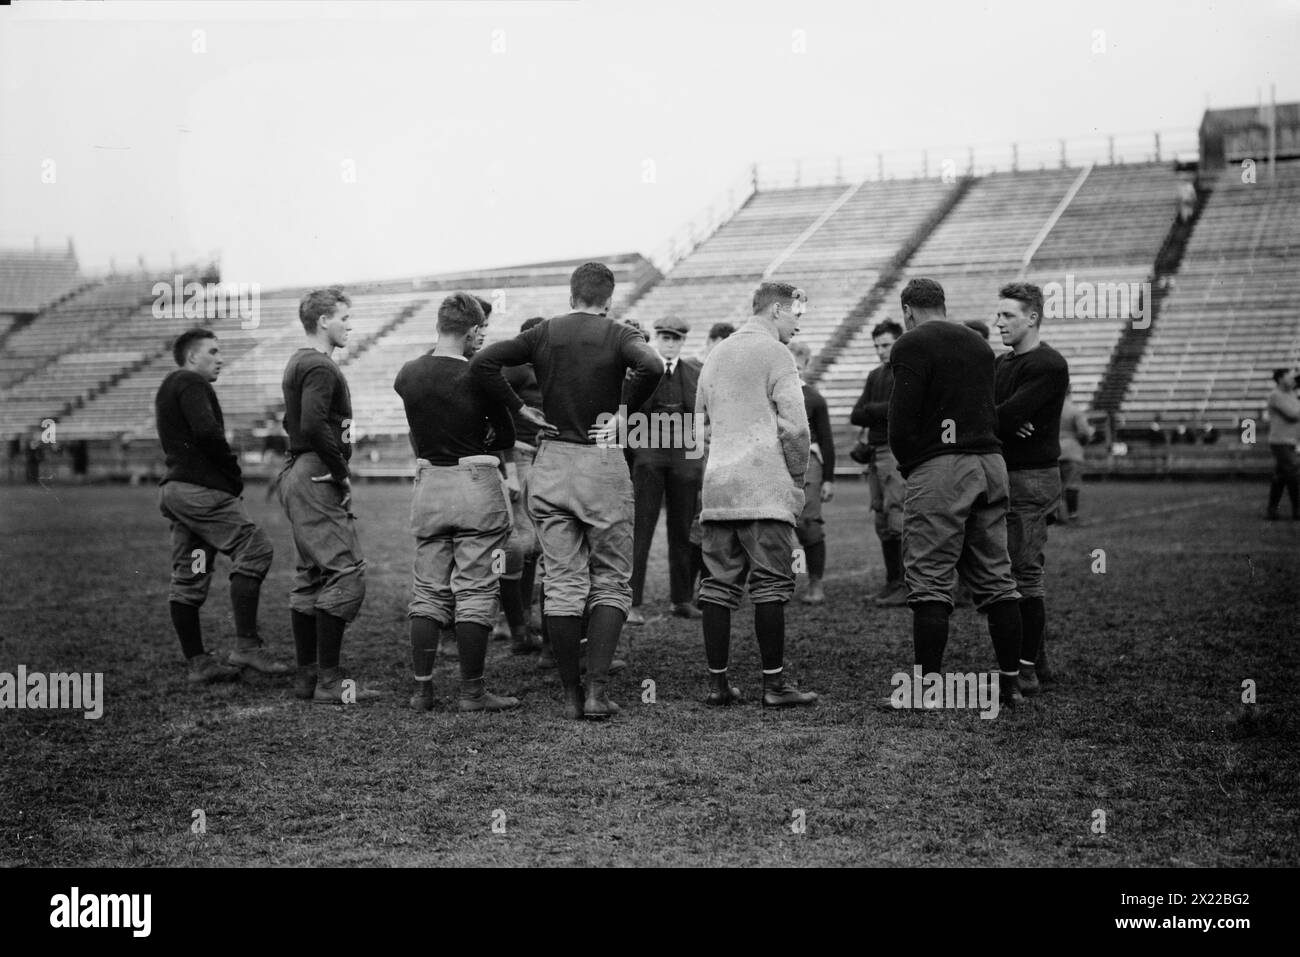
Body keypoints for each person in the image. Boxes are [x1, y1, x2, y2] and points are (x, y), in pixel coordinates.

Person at [470, 262, 663, 720]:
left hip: (552, 460)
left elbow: (483, 363)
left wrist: (520, 408)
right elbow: (652, 364)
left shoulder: (544, 333)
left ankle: (572, 693)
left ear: (571, 294)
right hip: (599, 461)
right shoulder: (618, 333)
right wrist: (623, 412)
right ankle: (597, 691)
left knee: (561, 582)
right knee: (612, 579)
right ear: (609, 298)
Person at [888, 278, 1024, 707]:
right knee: (998, 579)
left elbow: (901, 420)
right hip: (991, 464)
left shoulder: (911, 344)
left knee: (929, 579)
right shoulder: (980, 344)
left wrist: (913, 464)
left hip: (944, 469)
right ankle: (1012, 684)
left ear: (908, 310)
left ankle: (926, 690)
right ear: (943, 305)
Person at [395, 293, 533, 713]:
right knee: (475, 589)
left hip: (429, 483)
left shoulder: (408, 374)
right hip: (474, 484)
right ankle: (472, 692)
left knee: (427, 592)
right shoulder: (480, 374)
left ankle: (422, 689)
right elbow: (507, 438)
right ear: (472, 331)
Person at [695, 281, 819, 708]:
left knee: (717, 586)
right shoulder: (777, 353)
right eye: (797, 316)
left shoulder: (715, 354)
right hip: (764, 488)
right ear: (777, 310)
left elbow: (699, 429)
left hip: (718, 489)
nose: (799, 326)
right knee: (769, 585)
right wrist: (797, 478)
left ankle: (717, 684)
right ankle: (775, 685)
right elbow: (797, 428)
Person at [155, 328, 284, 683]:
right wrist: (230, 470)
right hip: (202, 491)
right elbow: (208, 432)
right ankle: (246, 647)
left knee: (189, 576)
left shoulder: (169, 386)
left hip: (177, 492)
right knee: (254, 549)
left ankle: (198, 662)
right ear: (193, 357)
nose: (221, 358)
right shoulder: (192, 382)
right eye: (213, 351)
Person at [277, 286, 377, 703]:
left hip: (299, 471)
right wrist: (339, 471)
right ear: (323, 321)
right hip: (316, 472)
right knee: (345, 573)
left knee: (311, 575)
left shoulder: (298, 362)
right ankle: (330, 681)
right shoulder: (319, 365)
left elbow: (291, 421)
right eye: (344, 317)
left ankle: (307, 677)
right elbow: (314, 423)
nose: (349, 324)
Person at [993, 282, 1070, 696]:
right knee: (1013, 570)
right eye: (998, 314)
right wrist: (1003, 417)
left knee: (1024, 572)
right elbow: (992, 413)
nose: (998, 322)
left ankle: (1025, 668)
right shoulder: (1003, 365)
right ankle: (1036, 659)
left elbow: (1004, 415)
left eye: (1007, 315)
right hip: (1009, 472)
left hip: (1033, 476)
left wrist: (1005, 416)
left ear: (1032, 317)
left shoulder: (1049, 365)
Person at [627, 315, 704, 624]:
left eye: (676, 339)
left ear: (683, 341)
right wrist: (639, 454)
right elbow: (626, 413)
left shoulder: (694, 373)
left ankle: (681, 598)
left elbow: (698, 419)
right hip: (649, 457)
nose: (670, 344)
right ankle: (631, 602)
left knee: (683, 530)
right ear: (657, 338)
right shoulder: (641, 372)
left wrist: (694, 462)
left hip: (683, 460)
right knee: (641, 530)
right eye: (665, 338)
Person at [498, 315, 547, 655]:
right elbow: (498, 408)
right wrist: (509, 467)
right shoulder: (515, 366)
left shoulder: (538, 365)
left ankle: (522, 618)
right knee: (519, 541)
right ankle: (512, 622)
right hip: (521, 454)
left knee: (532, 543)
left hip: (539, 454)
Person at [850, 319, 906, 607]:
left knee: (897, 516)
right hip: (876, 452)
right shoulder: (876, 375)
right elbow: (855, 414)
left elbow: (902, 409)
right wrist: (881, 411)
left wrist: (874, 411)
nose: (881, 351)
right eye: (877, 346)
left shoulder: (907, 371)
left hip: (896, 451)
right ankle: (893, 581)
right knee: (882, 519)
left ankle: (906, 584)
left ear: (899, 341)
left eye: (886, 344)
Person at [685, 322, 736, 601]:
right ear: (713, 340)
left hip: (720, 454)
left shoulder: (723, 371)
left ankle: (710, 584)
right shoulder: (689, 368)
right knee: (698, 519)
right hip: (697, 455)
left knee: (716, 519)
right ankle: (691, 588)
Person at [788, 340, 835, 604]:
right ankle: (793, 579)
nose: (793, 371)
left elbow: (827, 442)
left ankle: (815, 583)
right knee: (786, 528)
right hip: (779, 466)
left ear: (805, 366)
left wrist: (828, 478)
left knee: (808, 526)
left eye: (797, 366)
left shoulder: (814, 398)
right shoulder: (773, 394)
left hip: (809, 466)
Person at [1266, 368, 1300, 520]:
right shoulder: (1275, 396)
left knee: (1281, 477)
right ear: (1280, 379)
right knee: (1294, 473)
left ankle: (1272, 510)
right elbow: (1293, 414)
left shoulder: (1291, 394)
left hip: (1290, 440)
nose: (1292, 379)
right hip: (1280, 441)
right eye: (1288, 377)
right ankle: (1297, 509)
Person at [1058, 397, 1093, 524]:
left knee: (1056, 486)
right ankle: (1072, 515)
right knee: (1071, 484)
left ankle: (1056, 515)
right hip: (1072, 451)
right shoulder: (1074, 410)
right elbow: (1084, 432)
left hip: (1053, 451)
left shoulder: (1051, 408)